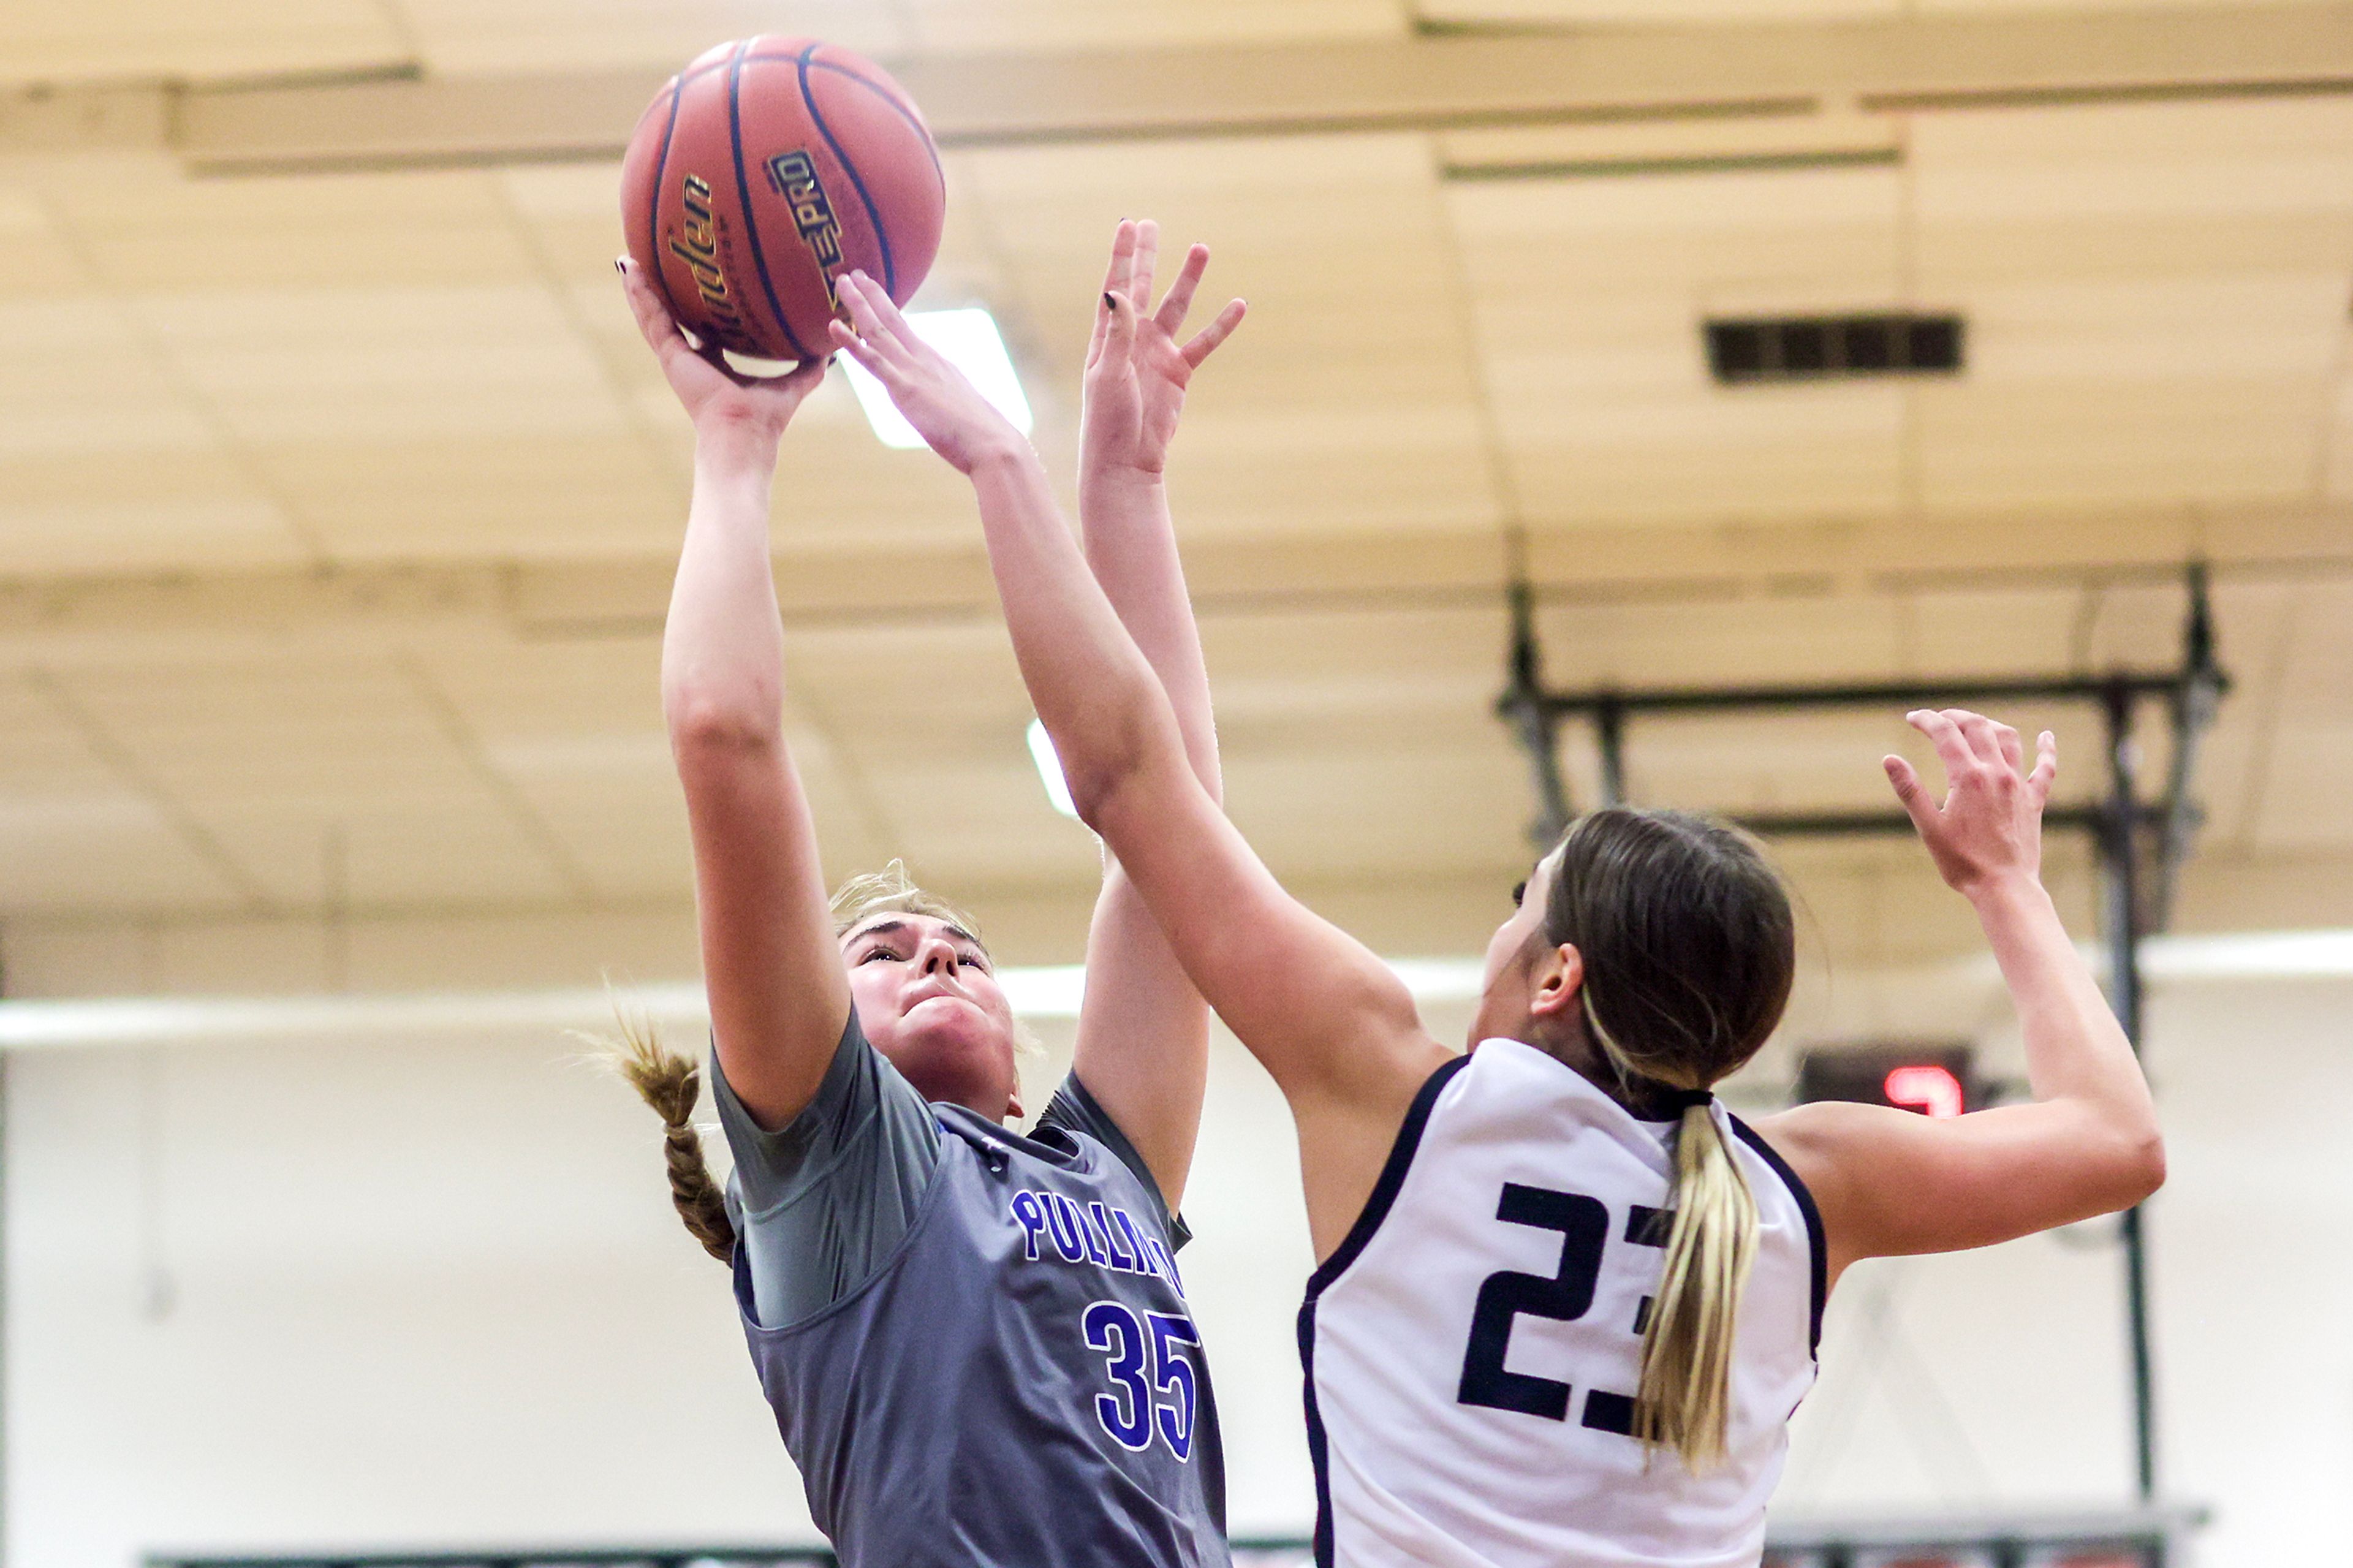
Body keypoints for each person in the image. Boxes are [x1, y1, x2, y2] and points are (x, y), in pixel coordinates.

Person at [823, 260, 2168, 1568]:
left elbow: (1129, 772)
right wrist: (2008, 888)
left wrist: (1048, 470)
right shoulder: (1804, 1188)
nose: (1496, 932)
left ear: (1555, 975)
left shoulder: (1401, 1098)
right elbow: (2118, 1139)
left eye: (1517, 908)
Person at [610, 220, 1245, 1568]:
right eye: (886, 949)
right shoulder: (838, 1162)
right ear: (810, 1025)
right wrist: (734, 449)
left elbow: (1172, 811)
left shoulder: (1106, 1163)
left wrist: (1127, 479)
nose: (940, 956)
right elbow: (725, 734)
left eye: (961, 946)